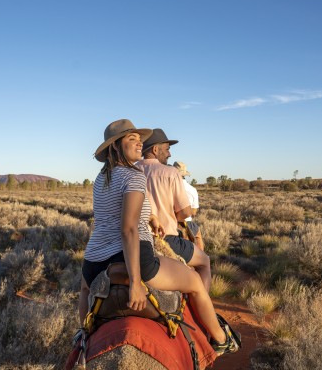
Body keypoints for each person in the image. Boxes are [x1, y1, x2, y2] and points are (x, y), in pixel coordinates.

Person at [78, 119, 229, 355]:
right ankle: (221, 340)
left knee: (86, 290)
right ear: (115, 146)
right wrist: (136, 283)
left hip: (94, 262)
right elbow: (128, 229)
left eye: (139, 140)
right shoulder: (134, 175)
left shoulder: (102, 178)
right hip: (137, 258)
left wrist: (152, 218)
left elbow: (122, 209)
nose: (139, 144)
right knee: (196, 284)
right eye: (132, 139)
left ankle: (84, 335)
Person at [136, 129, 212, 292]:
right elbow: (186, 212)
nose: (169, 154)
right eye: (167, 149)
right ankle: (203, 305)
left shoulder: (131, 171)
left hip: (137, 240)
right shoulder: (170, 173)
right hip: (166, 238)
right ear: (155, 150)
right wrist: (172, 216)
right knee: (204, 261)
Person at [173, 161, 204, 251]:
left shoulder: (169, 187)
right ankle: (202, 258)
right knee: (198, 236)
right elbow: (193, 212)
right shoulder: (192, 190)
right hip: (187, 222)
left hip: (171, 223)